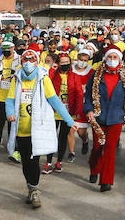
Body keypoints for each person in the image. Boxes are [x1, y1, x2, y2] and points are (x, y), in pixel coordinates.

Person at [5, 46, 77, 208]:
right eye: (26, 60)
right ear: (21, 62)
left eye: (32, 60)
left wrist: (69, 120)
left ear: (37, 62)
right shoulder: (16, 79)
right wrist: (10, 113)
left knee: (34, 159)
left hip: (36, 129)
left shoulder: (43, 79)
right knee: (25, 162)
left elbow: (54, 100)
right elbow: (10, 100)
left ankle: (35, 190)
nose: (28, 63)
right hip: (21, 129)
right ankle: (30, 188)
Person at [83, 46, 125, 193]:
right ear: (105, 59)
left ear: (120, 59)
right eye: (110, 58)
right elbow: (88, 95)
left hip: (117, 117)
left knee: (110, 149)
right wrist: (89, 110)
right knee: (98, 147)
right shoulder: (96, 75)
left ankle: (106, 181)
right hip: (99, 116)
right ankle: (94, 168)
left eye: (115, 57)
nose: (112, 61)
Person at [63, 48, 94, 164]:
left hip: (83, 104)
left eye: (85, 60)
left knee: (81, 132)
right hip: (71, 101)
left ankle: (85, 140)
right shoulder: (71, 69)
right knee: (71, 129)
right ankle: (72, 152)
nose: (82, 62)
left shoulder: (91, 72)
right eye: (81, 59)